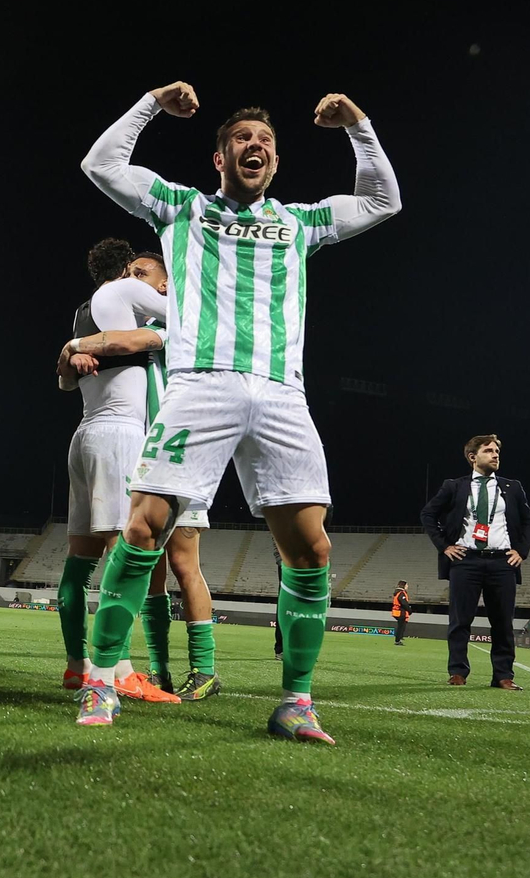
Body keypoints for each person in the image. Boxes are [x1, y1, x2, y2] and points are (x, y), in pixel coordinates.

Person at [80, 82, 400, 740]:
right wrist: (148, 104)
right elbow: (101, 165)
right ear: (220, 158)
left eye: (266, 142)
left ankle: (296, 703)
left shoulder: (299, 223)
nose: (254, 146)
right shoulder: (181, 208)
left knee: (311, 547)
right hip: (202, 383)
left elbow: (382, 199)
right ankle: (99, 679)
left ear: (276, 162)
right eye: (240, 141)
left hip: (282, 391)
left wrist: (358, 126)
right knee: (145, 529)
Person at [54, 240, 187, 712]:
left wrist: (73, 352)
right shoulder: (130, 289)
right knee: (122, 553)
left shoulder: (82, 311)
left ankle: (76, 665)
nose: (160, 284)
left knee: (79, 560)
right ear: (131, 269)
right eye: (155, 277)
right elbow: (187, 315)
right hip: (120, 434)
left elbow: (66, 378)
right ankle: (120, 672)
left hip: (84, 434)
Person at [420, 434, 530, 689]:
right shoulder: (454, 486)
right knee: (460, 621)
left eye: (497, 451)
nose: (495, 455)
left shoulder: (512, 487)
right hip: (466, 560)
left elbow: (528, 521)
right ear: (473, 457)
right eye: (489, 450)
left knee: (503, 622)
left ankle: (503, 676)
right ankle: (458, 672)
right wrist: (444, 546)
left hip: (502, 562)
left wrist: (521, 552)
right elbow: (428, 514)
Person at [391, 580, 412, 645]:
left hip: (396, 611)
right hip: (400, 612)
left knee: (400, 625)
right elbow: (404, 603)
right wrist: (409, 610)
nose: (407, 586)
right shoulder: (401, 593)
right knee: (401, 626)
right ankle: (397, 640)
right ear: (404, 585)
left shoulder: (397, 592)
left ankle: (398, 639)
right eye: (406, 585)